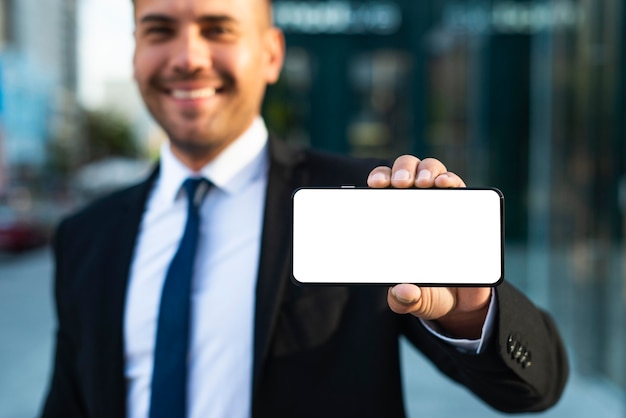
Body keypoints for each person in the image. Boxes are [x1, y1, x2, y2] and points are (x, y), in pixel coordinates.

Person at [40, 0, 568, 417]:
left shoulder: (366, 202)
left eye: (219, 29)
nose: (188, 57)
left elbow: (535, 389)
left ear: (272, 54)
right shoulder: (87, 236)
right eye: (158, 31)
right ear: (135, 52)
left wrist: (472, 313)